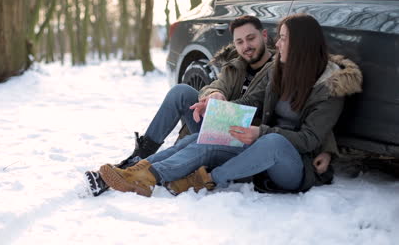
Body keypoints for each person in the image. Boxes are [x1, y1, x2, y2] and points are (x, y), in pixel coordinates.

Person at [98, 13, 363, 197]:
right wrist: (215, 107)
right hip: (256, 141)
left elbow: (311, 136)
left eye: (282, 38)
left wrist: (263, 133)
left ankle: (208, 179)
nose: (278, 42)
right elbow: (250, 100)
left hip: (293, 162)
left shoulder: (330, 86)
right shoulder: (277, 70)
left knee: (272, 142)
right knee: (200, 142)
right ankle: (139, 174)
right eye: (239, 41)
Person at [85, 15, 276, 196]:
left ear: (264, 35)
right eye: (239, 42)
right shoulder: (236, 66)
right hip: (220, 127)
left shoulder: (277, 70)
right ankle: (139, 158)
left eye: (251, 38)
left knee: (194, 143)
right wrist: (214, 94)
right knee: (181, 92)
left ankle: (139, 174)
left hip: (247, 139)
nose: (246, 46)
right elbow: (217, 85)